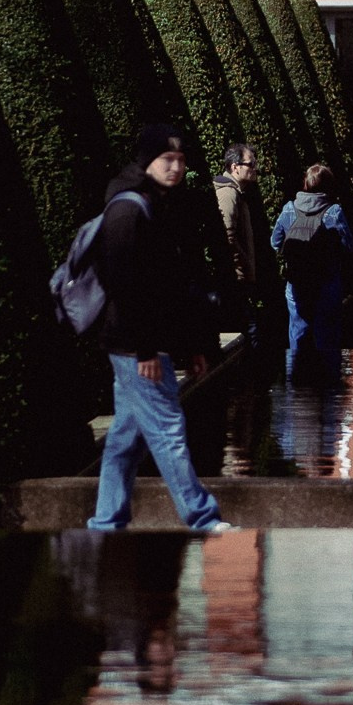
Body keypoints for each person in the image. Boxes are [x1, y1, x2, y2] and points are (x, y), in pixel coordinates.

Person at [85, 123, 230, 534]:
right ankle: (202, 518)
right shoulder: (129, 209)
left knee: (126, 439)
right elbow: (126, 286)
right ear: (147, 161)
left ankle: (105, 521)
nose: (177, 167)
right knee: (168, 428)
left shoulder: (159, 204)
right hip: (135, 346)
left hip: (141, 342)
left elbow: (172, 287)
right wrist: (145, 350)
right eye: (168, 159)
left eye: (182, 160)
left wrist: (192, 348)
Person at [271, 159, 352, 355]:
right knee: (327, 336)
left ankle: (296, 378)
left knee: (298, 333)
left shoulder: (290, 208)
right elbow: (348, 246)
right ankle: (327, 381)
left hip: (296, 280)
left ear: (305, 183)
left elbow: (275, 242)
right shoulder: (334, 211)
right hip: (327, 281)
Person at [211, 141, 265, 342]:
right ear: (235, 167)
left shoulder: (237, 193)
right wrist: (242, 265)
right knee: (250, 334)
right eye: (250, 164)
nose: (255, 168)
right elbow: (227, 236)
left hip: (241, 279)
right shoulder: (228, 193)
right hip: (236, 281)